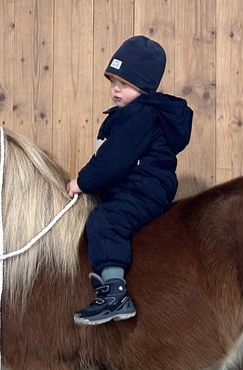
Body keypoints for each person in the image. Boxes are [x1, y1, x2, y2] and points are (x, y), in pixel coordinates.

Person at [67, 35, 193, 326]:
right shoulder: (126, 115)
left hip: (143, 188)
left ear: (144, 87)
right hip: (135, 186)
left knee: (106, 220)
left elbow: (113, 160)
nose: (115, 89)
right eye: (112, 81)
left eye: (124, 84)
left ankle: (114, 294)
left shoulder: (141, 115)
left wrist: (82, 182)